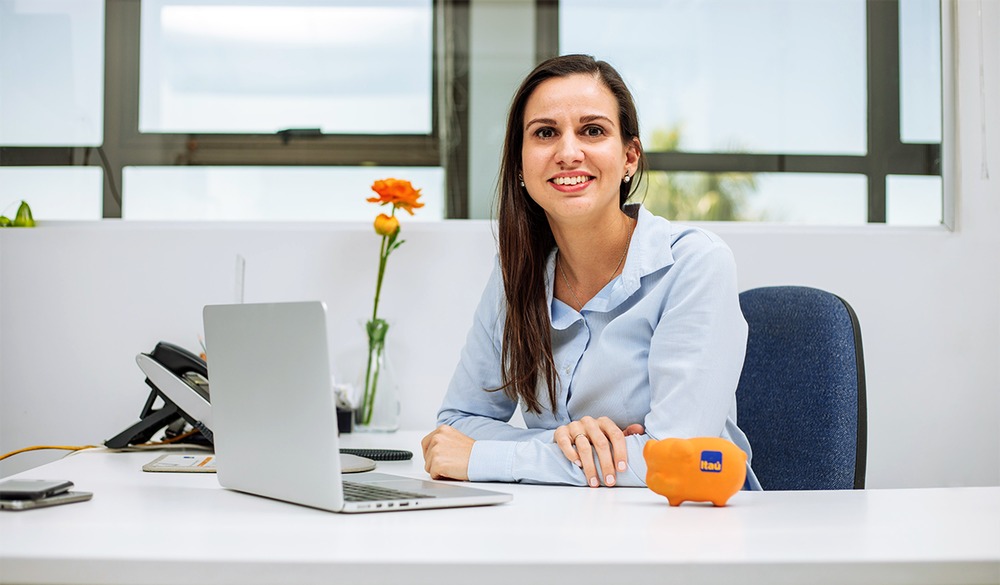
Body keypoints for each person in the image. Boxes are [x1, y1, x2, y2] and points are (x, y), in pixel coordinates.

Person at [421, 54, 761, 490]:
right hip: (563, 529)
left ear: (629, 158)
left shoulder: (695, 264)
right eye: (545, 133)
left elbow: (675, 460)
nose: (568, 152)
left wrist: (498, 456)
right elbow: (457, 426)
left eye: (593, 131)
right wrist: (574, 444)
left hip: (682, 533)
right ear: (521, 166)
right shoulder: (516, 274)